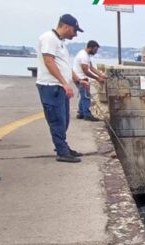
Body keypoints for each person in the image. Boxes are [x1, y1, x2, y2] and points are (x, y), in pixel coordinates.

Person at [36, 14, 84, 163]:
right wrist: (64, 83)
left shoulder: (60, 42)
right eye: (74, 31)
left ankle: (63, 146)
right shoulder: (49, 38)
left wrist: (77, 79)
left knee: (64, 120)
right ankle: (62, 152)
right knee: (57, 120)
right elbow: (49, 62)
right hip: (51, 86)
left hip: (59, 86)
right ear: (67, 27)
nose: (75, 35)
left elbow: (64, 65)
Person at [73, 40, 106, 122]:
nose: (96, 51)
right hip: (80, 78)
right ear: (90, 48)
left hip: (80, 77)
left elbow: (91, 67)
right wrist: (97, 78)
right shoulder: (84, 56)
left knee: (83, 95)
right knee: (86, 96)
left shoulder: (85, 55)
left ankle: (80, 113)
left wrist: (100, 75)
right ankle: (87, 115)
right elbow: (86, 71)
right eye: (95, 50)